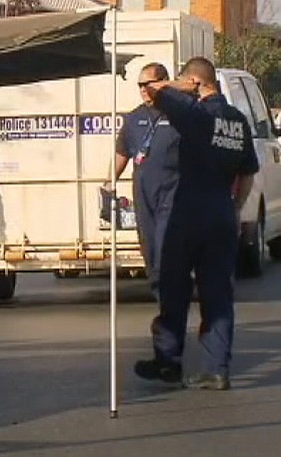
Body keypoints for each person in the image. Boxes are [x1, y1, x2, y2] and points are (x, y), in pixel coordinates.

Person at [136, 57, 259, 390]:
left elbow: (154, 87)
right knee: (218, 293)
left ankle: (168, 361)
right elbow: (247, 173)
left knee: (174, 286)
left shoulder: (195, 115)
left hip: (187, 213)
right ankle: (216, 369)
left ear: (195, 81)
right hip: (221, 211)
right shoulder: (238, 121)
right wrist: (234, 207)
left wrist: (181, 85)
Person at [105, 63, 180, 302]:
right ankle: (161, 293)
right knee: (149, 249)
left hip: (172, 193)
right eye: (140, 86)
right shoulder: (134, 118)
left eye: (148, 84)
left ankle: (170, 298)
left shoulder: (180, 115)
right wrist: (109, 181)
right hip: (144, 194)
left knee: (164, 245)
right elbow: (122, 153)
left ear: (163, 82)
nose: (144, 90)